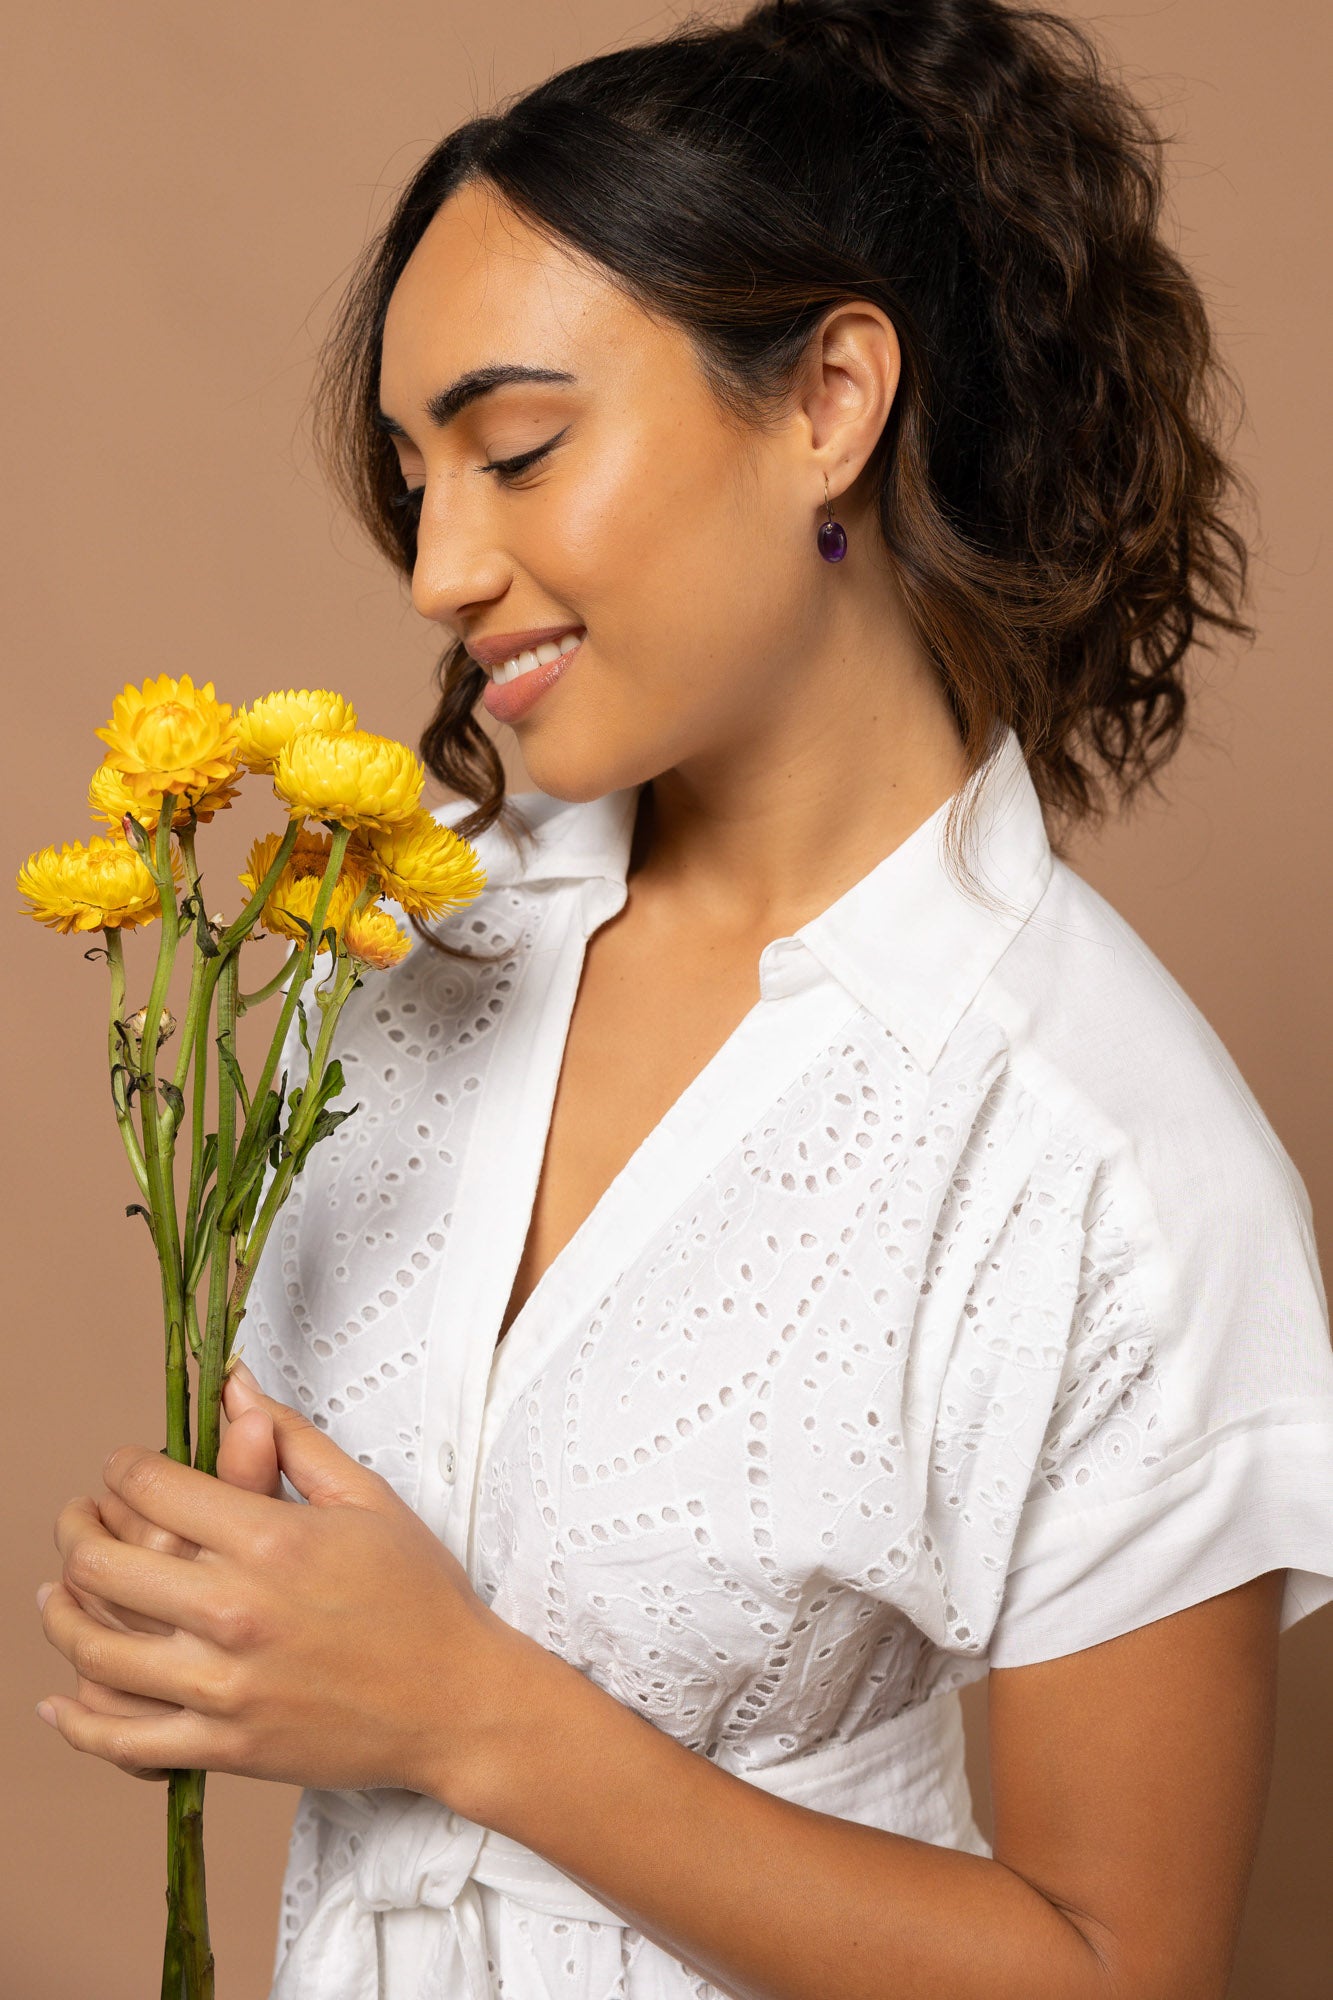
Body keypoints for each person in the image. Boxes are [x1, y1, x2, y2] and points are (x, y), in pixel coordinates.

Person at [35, 3, 1333, 1996]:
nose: (438, 571)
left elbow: (1120, 1970)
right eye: (414, 479)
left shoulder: (1105, 1160)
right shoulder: (399, 960)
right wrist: (215, 1603)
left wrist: (466, 1711)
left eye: (519, 449)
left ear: (828, 396)